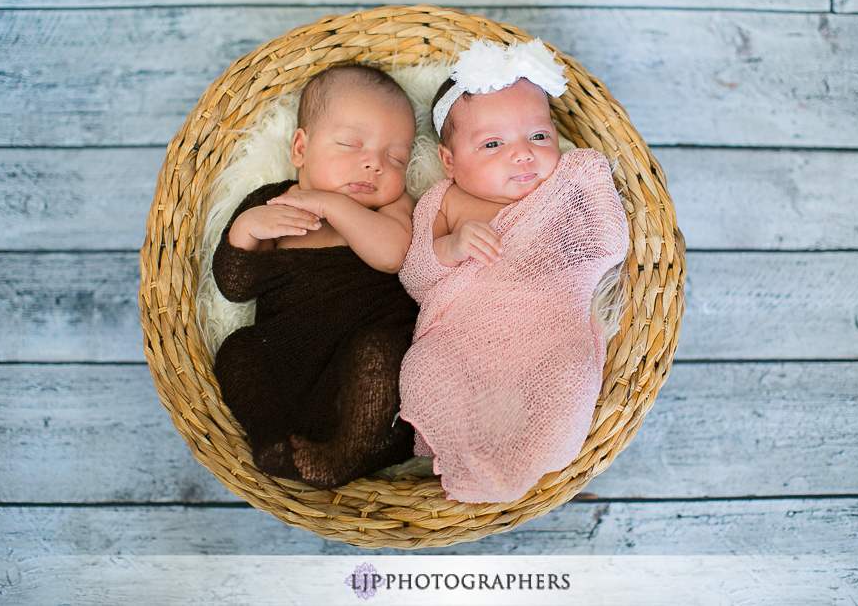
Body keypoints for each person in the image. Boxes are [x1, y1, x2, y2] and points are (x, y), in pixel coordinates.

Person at [397, 39, 629, 503]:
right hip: (464, 335)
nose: (522, 154)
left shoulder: (562, 189)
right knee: (427, 368)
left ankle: (536, 454)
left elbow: (607, 241)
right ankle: (465, 456)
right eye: (492, 144)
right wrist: (450, 247)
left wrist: (586, 177)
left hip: (549, 330)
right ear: (449, 161)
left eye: (539, 137)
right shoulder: (442, 202)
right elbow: (414, 276)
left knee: (570, 372)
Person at [211, 64, 418, 488]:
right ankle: (275, 441)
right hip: (288, 355)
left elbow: (394, 255)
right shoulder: (273, 204)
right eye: (350, 145)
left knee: (378, 355)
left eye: (395, 157)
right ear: (300, 149)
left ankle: (343, 459)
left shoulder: (391, 208)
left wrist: (330, 205)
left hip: (366, 361)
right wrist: (245, 230)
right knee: (237, 352)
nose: (373, 164)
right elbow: (235, 287)